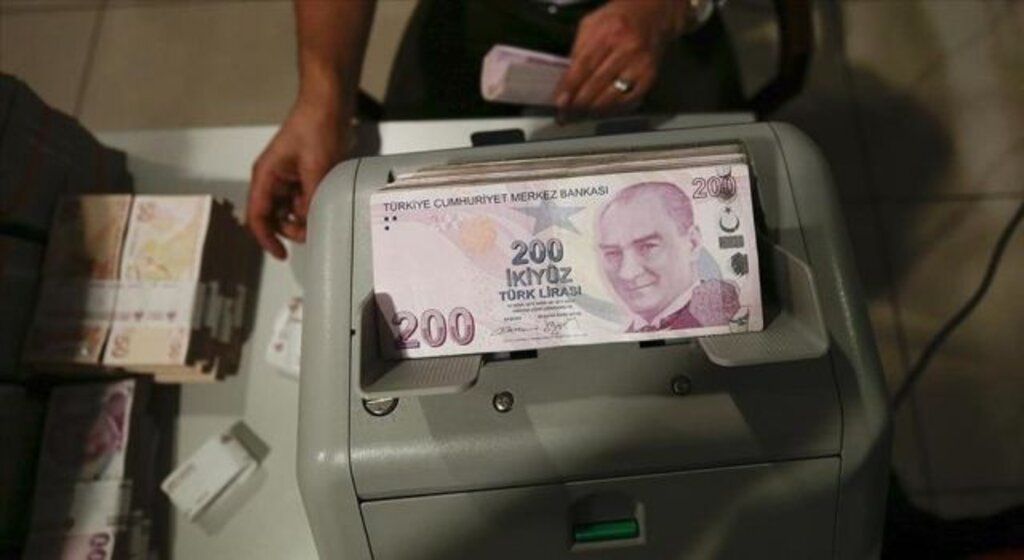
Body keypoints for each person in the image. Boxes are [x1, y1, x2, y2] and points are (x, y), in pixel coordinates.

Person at [249, 0, 745, 259]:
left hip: (661, 24)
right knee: (423, 223)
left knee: (712, 215)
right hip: (475, 13)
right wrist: (323, 98)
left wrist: (663, 9)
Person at [596, 181, 739, 331]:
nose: (627, 273)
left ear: (693, 243)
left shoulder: (733, 318)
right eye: (612, 253)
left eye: (647, 247)